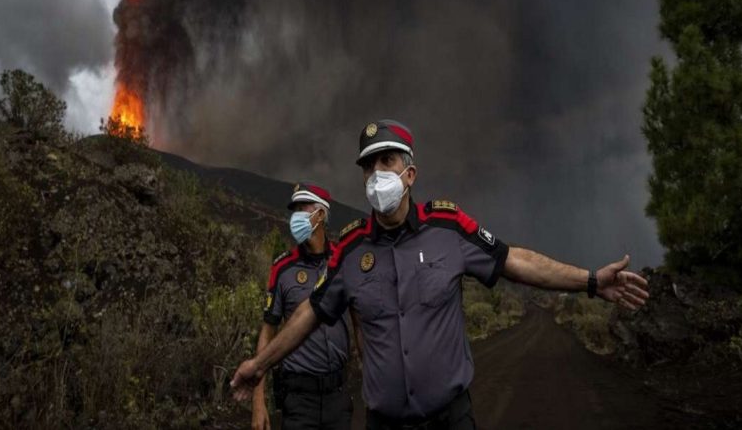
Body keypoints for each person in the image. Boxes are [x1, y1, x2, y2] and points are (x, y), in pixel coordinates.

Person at [233, 120, 650, 430]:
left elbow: (514, 260)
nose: (376, 174)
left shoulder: (448, 228)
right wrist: (257, 366)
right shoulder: (351, 248)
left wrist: (592, 281)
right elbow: (310, 313)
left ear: (409, 174)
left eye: (386, 161)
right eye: (367, 166)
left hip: (450, 419)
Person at [251, 183, 354, 430]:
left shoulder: (344, 261)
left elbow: (361, 320)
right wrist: (258, 402)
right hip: (298, 399)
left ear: (320, 215)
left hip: (338, 396)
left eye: (302, 208)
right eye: (294, 209)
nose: (295, 216)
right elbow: (268, 331)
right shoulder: (283, 268)